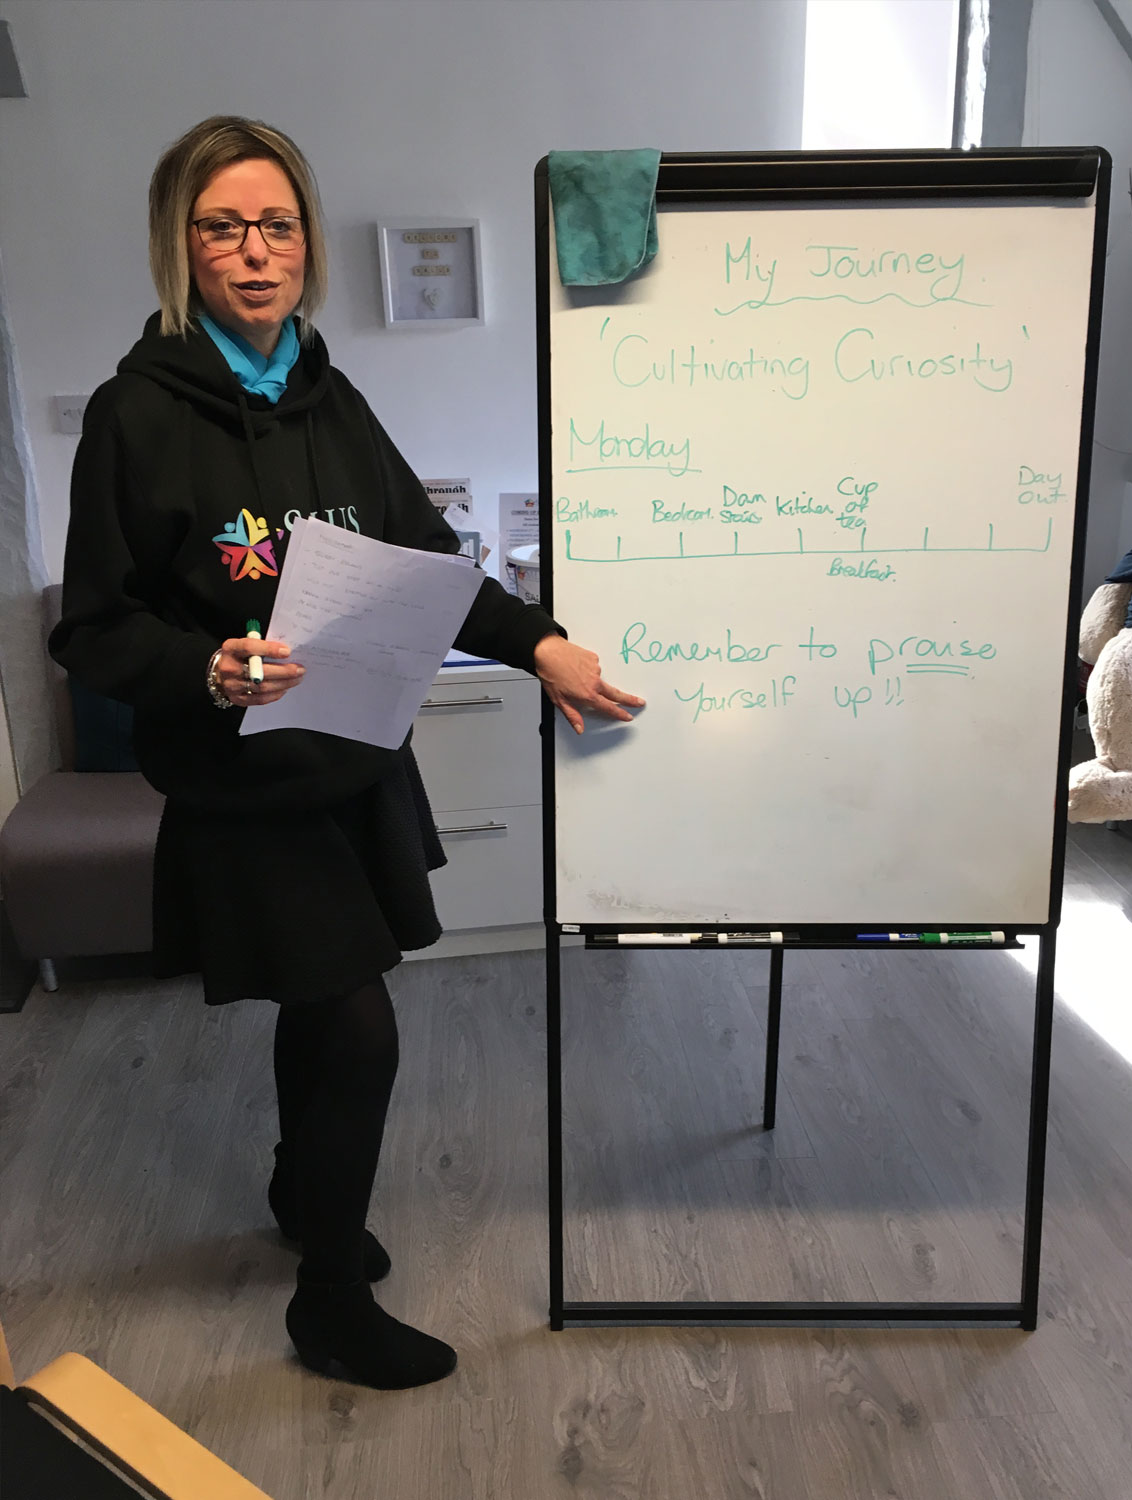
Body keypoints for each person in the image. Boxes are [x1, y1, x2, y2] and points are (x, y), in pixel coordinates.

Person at [49, 115, 642, 1391]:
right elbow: (93, 629)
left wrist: (537, 646)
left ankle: (294, 1190)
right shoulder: (135, 414)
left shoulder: (329, 390)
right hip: (244, 785)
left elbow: (422, 561)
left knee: (326, 1013)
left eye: (277, 225)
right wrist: (203, 667)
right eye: (222, 227)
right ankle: (326, 1301)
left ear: (304, 241)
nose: (253, 253)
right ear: (179, 244)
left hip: (354, 761)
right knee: (359, 1027)